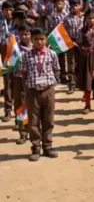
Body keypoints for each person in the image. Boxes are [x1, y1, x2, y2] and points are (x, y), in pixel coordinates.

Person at [18, 27, 60, 161]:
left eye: (42, 39)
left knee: (48, 119)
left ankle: (48, 146)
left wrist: (52, 84)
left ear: (46, 39)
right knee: (33, 121)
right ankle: (36, 147)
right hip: (33, 92)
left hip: (48, 91)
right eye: (36, 39)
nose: (39, 42)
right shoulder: (26, 56)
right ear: (32, 40)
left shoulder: (52, 54)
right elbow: (23, 74)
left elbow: (56, 70)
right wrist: (28, 89)